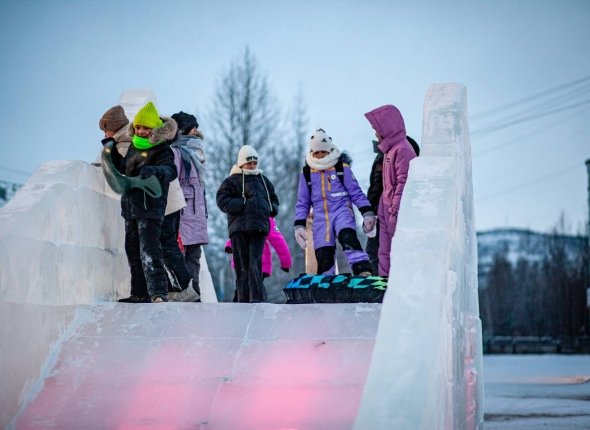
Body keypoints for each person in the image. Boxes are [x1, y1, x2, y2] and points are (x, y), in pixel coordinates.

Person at [103, 101, 178, 303]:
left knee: (150, 251)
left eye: (145, 128)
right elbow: (123, 168)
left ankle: (158, 292)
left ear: (154, 129)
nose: (141, 131)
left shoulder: (162, 149)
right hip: (131, 207)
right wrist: (111, 149)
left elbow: (171, 170)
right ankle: (139, 293)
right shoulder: (134, 146)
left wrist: (154, 171)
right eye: (137, 127)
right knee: (133, 251)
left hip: (150, 207)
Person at [293, 129, 376, 276]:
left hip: (341, 211)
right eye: (317, 153)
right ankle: (327, 278)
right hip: (320, 217)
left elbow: (355, 192)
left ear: (330, 150)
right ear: (311, 152)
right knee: (323, 251)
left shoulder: (341, 168)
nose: (320, 156)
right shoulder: (307, 173)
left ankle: (363, 271)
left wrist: (367, 212)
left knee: (347, 237)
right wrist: (299, 225)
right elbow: (303, 201)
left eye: (323, 152)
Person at [216, 145, 279, 303]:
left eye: (254, 163)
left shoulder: (263, 180)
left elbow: (273, 198)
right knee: (242, 264)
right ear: (241, 163)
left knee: (255, 262)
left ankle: (257, 297)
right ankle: (243, 298)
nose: (252, 166)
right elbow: (221, 200)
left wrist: (271, 209)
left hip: (259, 227)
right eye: (249, 163)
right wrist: (240, 204)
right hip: (239, 228)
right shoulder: (231, 180)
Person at [365, 105, 417, 277]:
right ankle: (384, 284)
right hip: (386, 212)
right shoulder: (388, 152)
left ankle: (397, 284)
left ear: (387, 127)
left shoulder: (403, 150)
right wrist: (380, 210)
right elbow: (384, 186)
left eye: (377, 129)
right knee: (383, 252)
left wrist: (395, 212)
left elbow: (403, 184)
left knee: (398, 252)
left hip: (397, 213)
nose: (375, 133)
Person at [170, 111, 208, 298]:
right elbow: (173, 185)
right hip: (183, 216)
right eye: (192, 127)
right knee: (182, 259)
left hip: (196, 216)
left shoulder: (196, 153)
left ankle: (195, 297)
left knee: (194, 259)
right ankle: (185, 295)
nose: (195, 130)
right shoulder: (176, 153)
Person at [224, 217, 292, 278]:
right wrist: (286, 263)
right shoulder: (266, 219)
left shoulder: (244, 215)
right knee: (255, 286)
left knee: (244, 285)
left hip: (242, 262)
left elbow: (237, 233)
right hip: (260, 264)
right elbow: (279, 241)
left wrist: (229, 245)